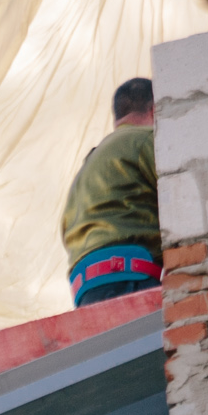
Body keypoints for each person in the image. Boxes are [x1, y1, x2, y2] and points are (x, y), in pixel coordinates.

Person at [64, 78, 162, 308]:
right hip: (130, 278)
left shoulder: (87, 168)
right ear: (155, 109)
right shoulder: (146, 141)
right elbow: (183, 199)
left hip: (86, 291)